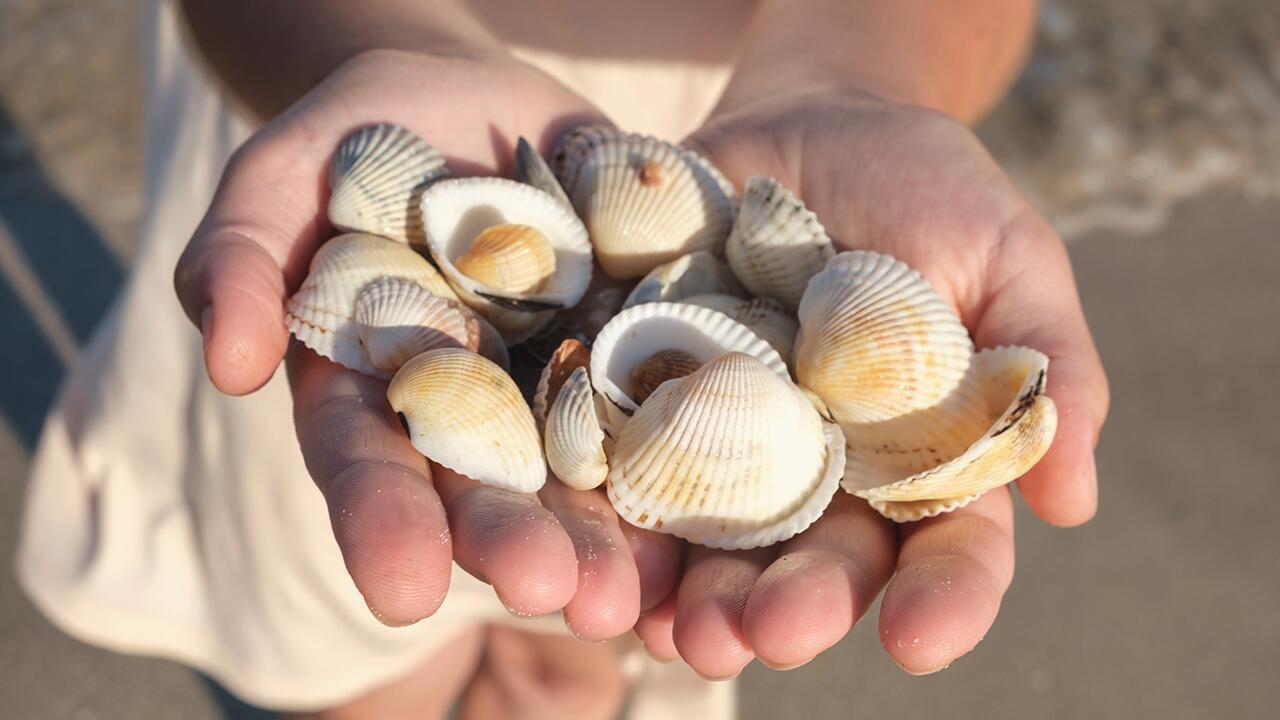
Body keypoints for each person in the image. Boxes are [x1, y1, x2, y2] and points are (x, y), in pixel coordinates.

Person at [18, 1, 1109, 718]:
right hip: (368, 108)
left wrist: (855, 80)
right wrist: (363, 45)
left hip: (730, 156)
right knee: (346, 656)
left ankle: (561, 673)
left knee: (593, 635)